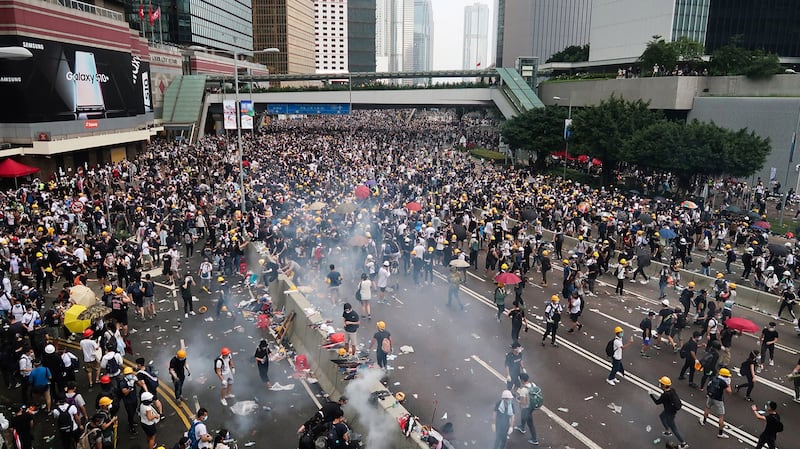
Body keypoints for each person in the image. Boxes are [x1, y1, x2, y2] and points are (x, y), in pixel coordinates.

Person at [649, 376, 688, 449]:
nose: (660, 384)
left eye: (661, 383)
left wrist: (651, 394)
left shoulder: (665, 395)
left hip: (669, 413)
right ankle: (667, 430)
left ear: (664, 385)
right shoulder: (672, 390)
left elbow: (657, 402)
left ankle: (683, 443)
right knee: (661, 416)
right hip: (671, 411)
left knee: (674, 428)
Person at [700, 367, 733, 439]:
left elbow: (708, 385)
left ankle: (704, 421)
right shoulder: (723, 382)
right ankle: (720, 433)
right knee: (721, 416)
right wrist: (729, 384)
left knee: (707, 408)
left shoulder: (714, 378)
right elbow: (729, 392)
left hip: (710, 396)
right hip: (718, 400)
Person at [514, 373, 538, 445]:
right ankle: (522, 427)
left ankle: (534, 439)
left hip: (527, 408)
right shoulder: (533, 384)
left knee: (530, 424)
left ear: (522, 380)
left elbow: (523, 402)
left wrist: (517, 400)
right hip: (532, 406)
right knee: (523, 415)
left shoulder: (523, 390)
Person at [118, 367, 139, 435]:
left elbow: (139, 383)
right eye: (129, 374)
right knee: (130, 413)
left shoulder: (132, 379)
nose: (130, 375)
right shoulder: (122, 383)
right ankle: (131, 427)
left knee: (134, 411)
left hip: (134, 399)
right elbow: (125, 392)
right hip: (128, 401)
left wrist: (136, 380)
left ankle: (132, 421)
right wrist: (130, 387)